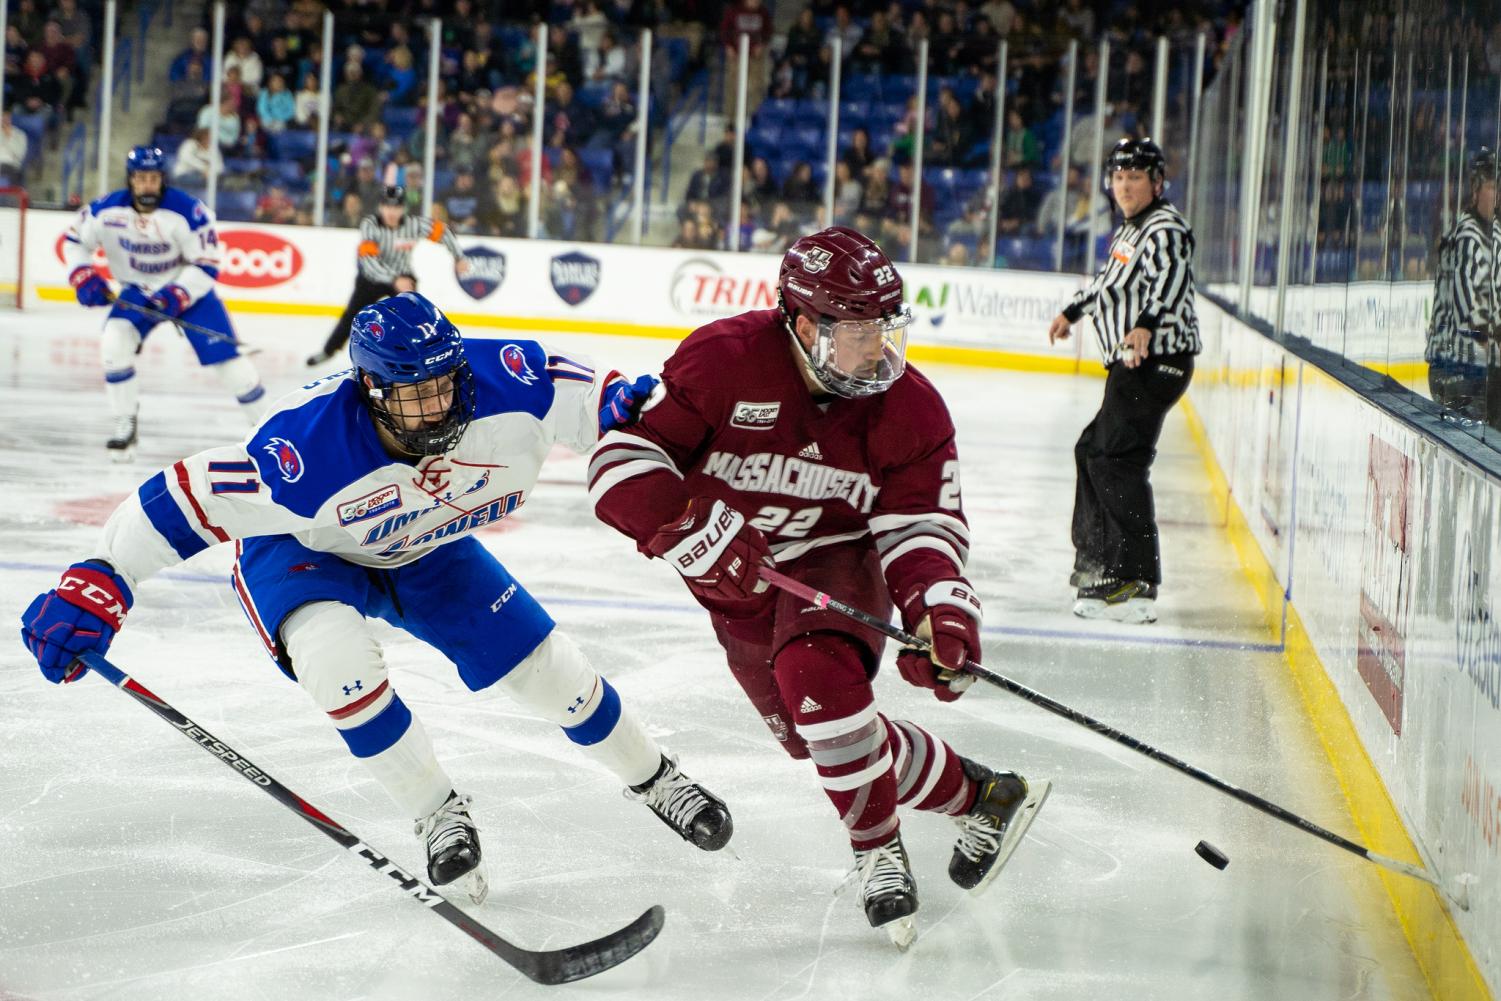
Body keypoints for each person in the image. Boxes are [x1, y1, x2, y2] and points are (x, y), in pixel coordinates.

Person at [19, 293, 734, 904]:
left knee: (552, 670)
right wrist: (101, 579)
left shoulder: (509, 379)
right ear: (370, 389)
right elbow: (175, 501)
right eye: (412, 394)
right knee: (338, 667)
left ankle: (655, 778)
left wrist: (640, 419)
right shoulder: (300, 453)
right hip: (304, 551)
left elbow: (604, 395)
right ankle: (436, 813)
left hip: (424, 542)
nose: (435, 407)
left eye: (443, 385)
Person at [587, 226, 1049, 947]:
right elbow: (624, 460)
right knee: (822, 738)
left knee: (821, 687)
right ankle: (981, 794)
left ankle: (878, 851)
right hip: (736, 586)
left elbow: (921, 527)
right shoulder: (723, 361)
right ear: (804, 325)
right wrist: (683, 525)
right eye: (859, 332)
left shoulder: (910, 411)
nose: (879, 350)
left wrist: (937, 610)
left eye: (885, 329)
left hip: (837, 563)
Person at [1047, 138, 1201, 624]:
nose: (1125, 186)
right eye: (1118, 177)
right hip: (1133, 360)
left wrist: (1146, 325)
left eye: (1135, 177)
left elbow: (1171, 281)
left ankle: (1133, 576)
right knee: (1093, 450)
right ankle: (1096, 561)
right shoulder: (1129, 233)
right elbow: (1107, 284)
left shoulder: (1165, 227)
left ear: (1157, 183)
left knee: (1116, 458)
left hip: (1156, 358)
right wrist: (1073, 310)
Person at [64, 145, 268, 459]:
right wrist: (82, 275)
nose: (148, 184)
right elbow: (74, 241)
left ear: (163, 179)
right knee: (113, 343)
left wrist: (178, 294)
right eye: (141, 178)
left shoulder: (189, 211)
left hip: (187, 292)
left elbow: (207, 263)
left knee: (231, 365)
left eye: (154, 178)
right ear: (131, 179)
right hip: (138, 291)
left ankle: (270, 432)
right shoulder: (105, 210)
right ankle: (125, 424)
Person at [306, 185, 471, 367]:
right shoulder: (370, 224)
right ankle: (328, 351)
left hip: (403, 277)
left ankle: (420, 356)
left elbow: (444, 232)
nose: (391, 212)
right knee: (352, 316)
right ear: (381, 207)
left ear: (402, 209)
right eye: (387, 207)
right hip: (371, 279)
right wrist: (394, 280)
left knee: (413, 319)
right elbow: (368, 261)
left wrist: (459, 257)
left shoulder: (413, 225)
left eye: (396, 207)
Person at [1425, 148, 1498, 421]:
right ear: (1476, 189)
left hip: (1468, 368)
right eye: (1492, 187)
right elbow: (1469, 313)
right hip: (1459, 369)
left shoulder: (1484, 234)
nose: (1498, 195)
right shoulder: (1468, 236)